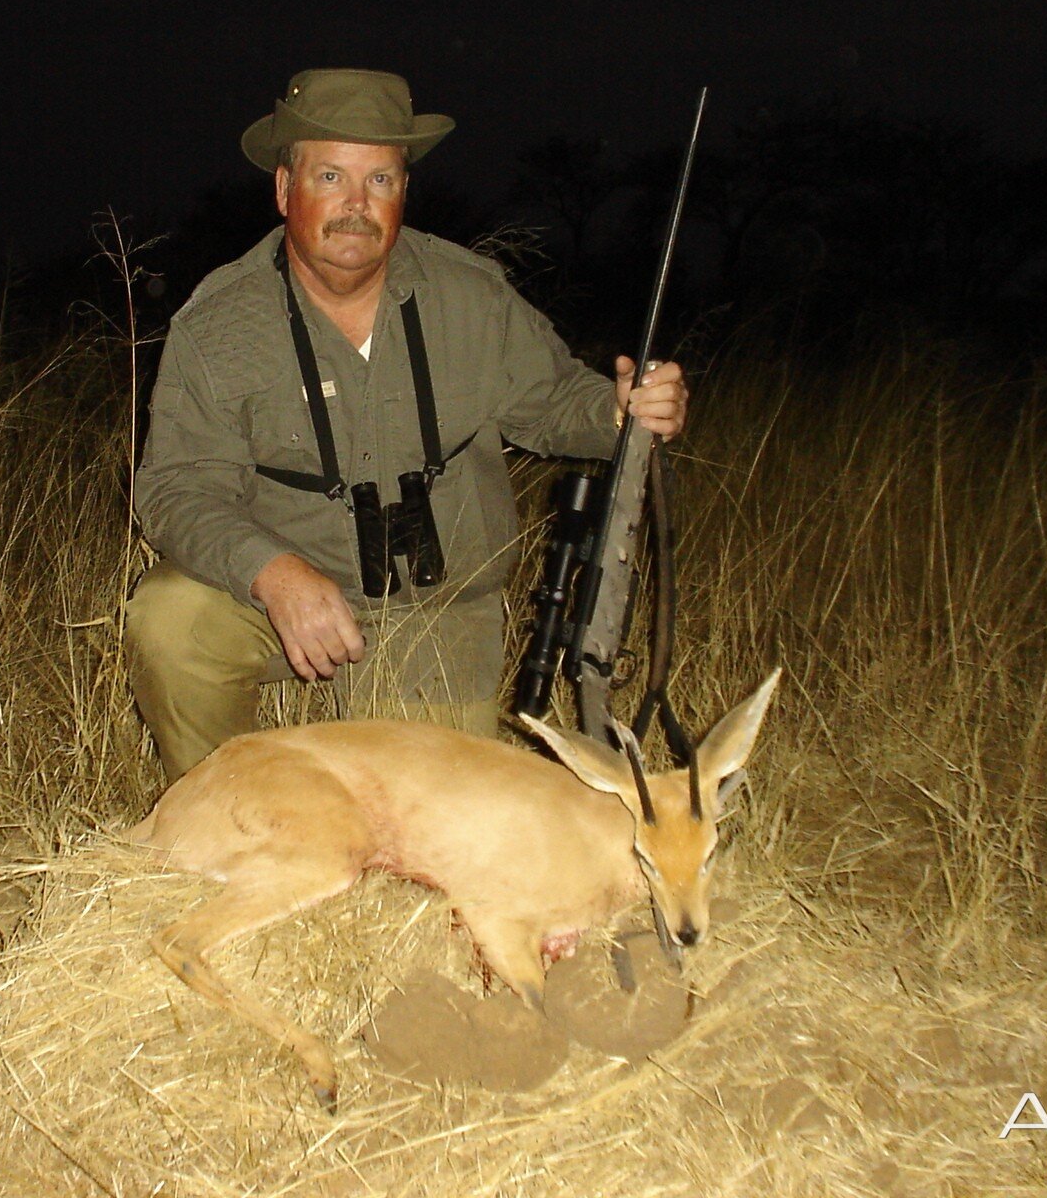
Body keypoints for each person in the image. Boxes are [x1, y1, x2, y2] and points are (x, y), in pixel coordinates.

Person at [126, 68, 689, 782]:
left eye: (381, 181)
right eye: (330, 176)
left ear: (404, 192)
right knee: (170, 618)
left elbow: (553, 403)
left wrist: (621, 410)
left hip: (439, 614)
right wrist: (272, 574)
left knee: (433, 835)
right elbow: (176, 489)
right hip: (284, 601)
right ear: (283, 189)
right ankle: (215, 809)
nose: (356, 205)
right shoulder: (218, 323)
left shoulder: (470, 293)